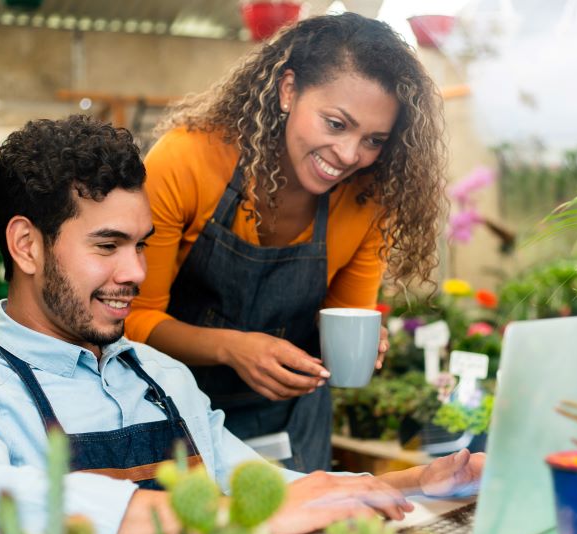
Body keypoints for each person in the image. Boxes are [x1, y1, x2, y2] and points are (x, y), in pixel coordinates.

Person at [0, 116, 481, 534]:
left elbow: (260, 487)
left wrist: (414, 483)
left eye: (140, 245)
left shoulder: (162, 377)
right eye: (107, 245)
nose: (136, 273)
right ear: (27, 245)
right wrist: (222, 517)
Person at [125, 12, 447, 472]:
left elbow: (343, 315)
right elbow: (133, 319)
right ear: (288, 90)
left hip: (290, 429)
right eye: (336, 124)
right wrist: (233, 348)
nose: (351, 155)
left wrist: (354, 348)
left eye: (374, 139)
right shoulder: (188, 160)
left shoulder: (367, 198)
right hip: (173, 417)